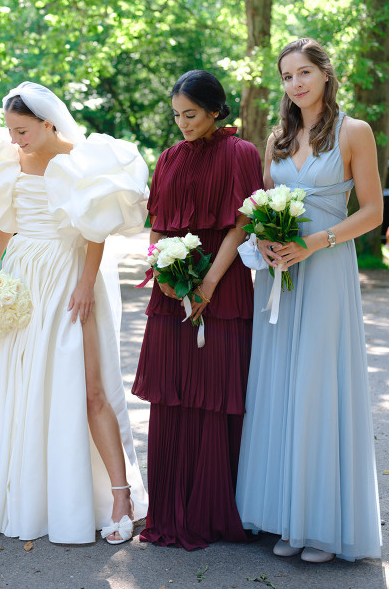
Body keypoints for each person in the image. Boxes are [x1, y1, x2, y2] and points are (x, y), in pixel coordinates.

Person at [0, 81, 149, 544]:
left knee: (88, 387)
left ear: (47, 123)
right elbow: (5, 220)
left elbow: (96, 230)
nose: (15, 139)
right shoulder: (10, 157)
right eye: (10, 131)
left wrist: (84, 285)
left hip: (68, 275)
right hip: (22, 276)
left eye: (22, 131)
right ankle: (21, 495)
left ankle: (119, 496)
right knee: (15, 383)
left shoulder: (83, 159)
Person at [236, 38, 383, 563]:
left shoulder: (354, 131)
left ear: (325, 73)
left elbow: (372, 212)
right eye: (286, 76)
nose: (295, 83)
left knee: (318, 383)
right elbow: (258, 207)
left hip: (326, 267)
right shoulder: (277, 138)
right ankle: (285, 515)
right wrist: (268, 242)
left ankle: (322, 526)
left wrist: (312, 244)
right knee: (279, 382)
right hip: (279, 277)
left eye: (304, 72)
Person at [131, 69, 263, 550]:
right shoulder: (167, 159)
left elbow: (241, 225)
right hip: (170, 293)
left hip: (223, 289)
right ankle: (169, 506)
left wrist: (208, 283)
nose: (182, 123)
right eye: (176, 115)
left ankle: (212, 509)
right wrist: (163, 275)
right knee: (174, 395)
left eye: (190, 114)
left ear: (215, 110)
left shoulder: (241, 153)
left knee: (214, 395)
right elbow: (157, 227)